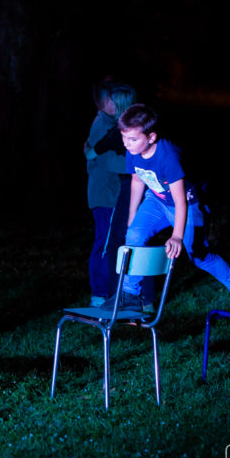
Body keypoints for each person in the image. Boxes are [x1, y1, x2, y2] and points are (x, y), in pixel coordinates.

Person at [105, 103, 230, 317]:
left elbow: (180, 200)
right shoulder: (132, 150)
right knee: (134, 234)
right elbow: (137, 180)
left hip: (186, 205)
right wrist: (132, 217)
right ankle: (130, 296)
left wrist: (176, 236)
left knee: (198, 254)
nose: (126, 144)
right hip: (156, 200)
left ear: (151, 137)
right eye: (124, 138)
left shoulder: (168, 157)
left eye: (133, 139)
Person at [83, 81, 136, 307]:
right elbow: (104, 160)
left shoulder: (108, 124)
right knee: (104, 242)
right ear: (106, 102)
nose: (114, 104)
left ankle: (109, 290)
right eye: (112, 100)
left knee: (109, 241)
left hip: (108, 191)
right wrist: (138, 163)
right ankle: (100, 293)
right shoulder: (103, 126)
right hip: (106, 194)